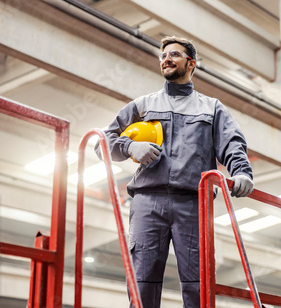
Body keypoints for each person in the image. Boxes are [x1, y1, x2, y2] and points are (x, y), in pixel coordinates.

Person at [97, 36, 254, 308]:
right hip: (148, 201)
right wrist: (131, 146)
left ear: (191, 63)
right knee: (141, 282)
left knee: (198, 285)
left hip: (193, 204)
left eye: (174, 55)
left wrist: (242, 172)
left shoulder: (212, 108)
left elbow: (232, 144)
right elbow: (102, 142)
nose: (166, 59)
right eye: (163, 56)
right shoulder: (143, 105)